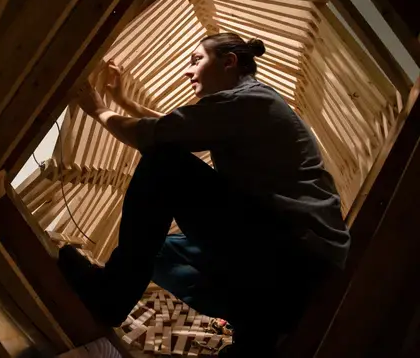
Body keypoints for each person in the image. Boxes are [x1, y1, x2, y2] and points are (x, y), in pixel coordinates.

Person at [57, 32, 351, 357]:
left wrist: (98, 109)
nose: (188, 71)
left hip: (295, 257)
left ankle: (110, 296)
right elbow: (180, 128)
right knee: (159, 252)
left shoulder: (249, 101)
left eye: (197, 60)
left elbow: (159, 137)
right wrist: (125, 103)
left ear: (228, 62)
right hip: (290, 263)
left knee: (163, 162)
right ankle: (258, 327)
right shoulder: (251, 105)